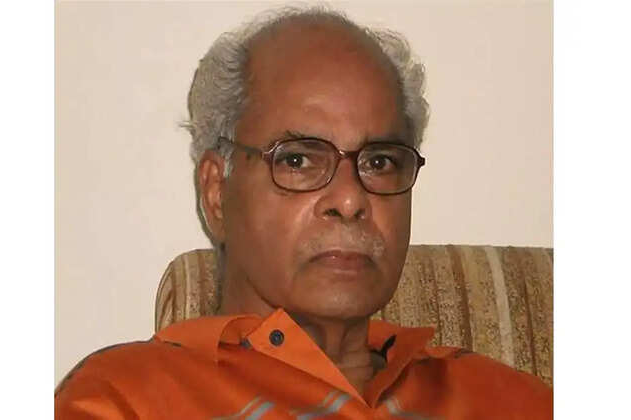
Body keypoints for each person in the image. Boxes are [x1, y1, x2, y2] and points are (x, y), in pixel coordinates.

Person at [55, 5, 552, 419]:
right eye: (297, 160)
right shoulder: (125, 400)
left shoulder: (508, 400)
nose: (350, 200)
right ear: (216, 192)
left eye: (379, 162)